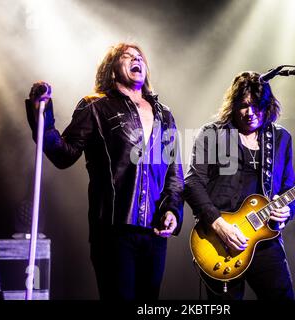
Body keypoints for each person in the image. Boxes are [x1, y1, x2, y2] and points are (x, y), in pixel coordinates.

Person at [25, 43, 184, 300]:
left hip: (154, 233)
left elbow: (174, 172)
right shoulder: (96, 107)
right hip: (113, 231)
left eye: (140, 56)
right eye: (127, 56)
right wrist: (41, 115)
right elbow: (63, 154)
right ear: (112, 69)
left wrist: (172, 210)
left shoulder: (164, 114)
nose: (136, 59)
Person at [184, 71, 295, 300]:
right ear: (233, 104)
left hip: (266, 242)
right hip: (219, 241)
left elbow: (288, 187)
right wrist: (219, 225)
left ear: (268, 106)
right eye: (244, 105)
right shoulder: (213, 134)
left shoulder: (281, 138)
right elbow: (192, 181)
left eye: (257, 106)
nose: (250, 113)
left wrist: (286, 210)